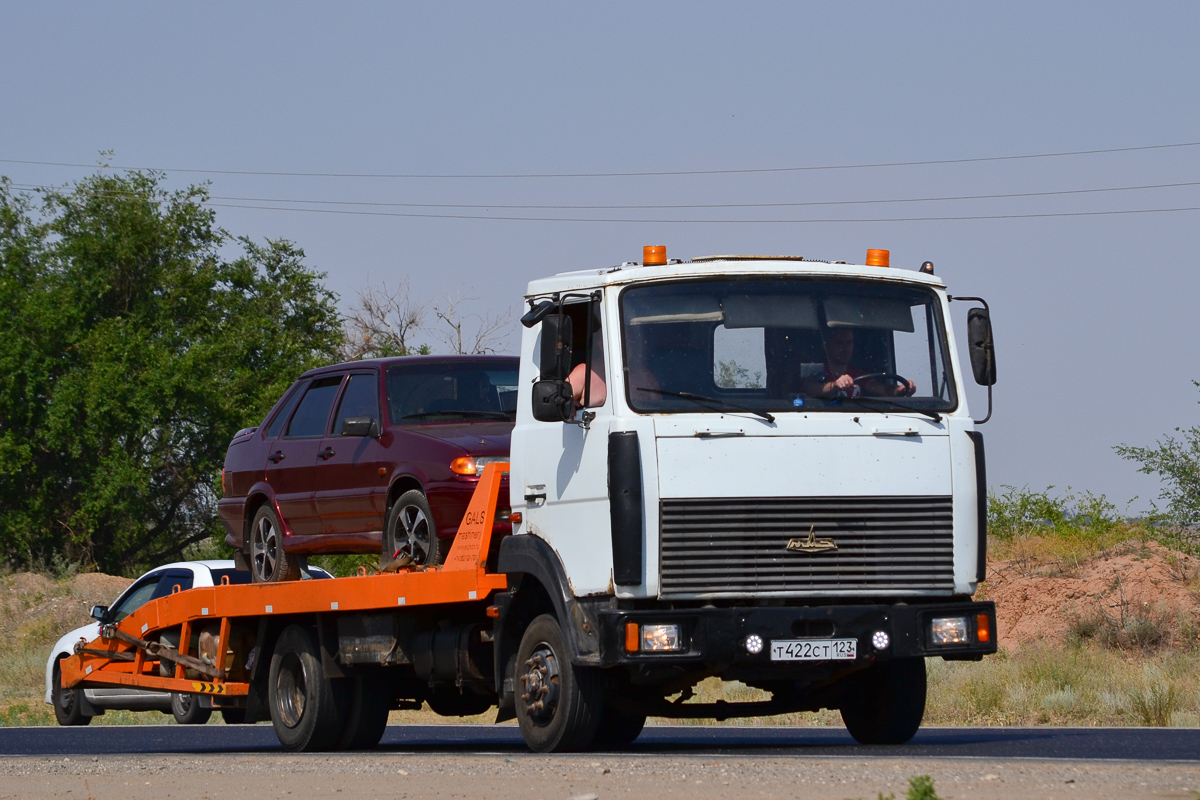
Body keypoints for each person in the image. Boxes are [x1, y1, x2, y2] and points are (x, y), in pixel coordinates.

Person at [804, 327, 916, 398]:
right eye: (839, 343)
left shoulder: (858, 374)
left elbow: (882, 389)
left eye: (849, 343)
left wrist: (900, 390)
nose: (845, 348)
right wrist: (835, 385)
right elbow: (810, 388)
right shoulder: (816, 371)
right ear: (826, 346)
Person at [568, 330, 607, 408]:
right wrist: (568, 404)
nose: (628, 345)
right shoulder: (585, 371)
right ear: (601, 344)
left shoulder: (638, 373)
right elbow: (559, 400)